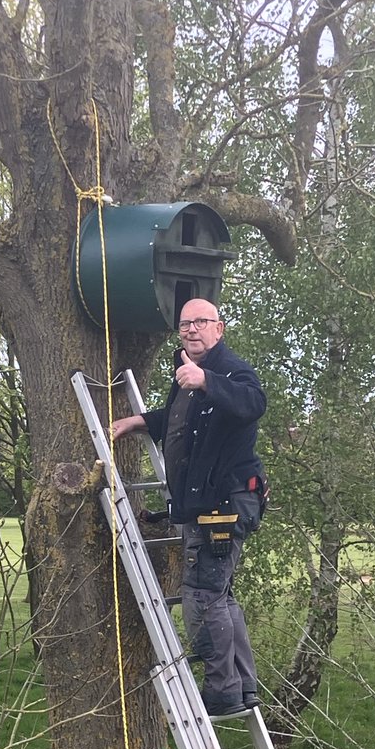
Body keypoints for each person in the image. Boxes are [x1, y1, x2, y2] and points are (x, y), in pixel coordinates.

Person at [110, 297, 267, 718]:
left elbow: (253, 403)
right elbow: (182, 421)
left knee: (201, 596)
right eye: (184, 324)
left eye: (201, 322)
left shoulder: (232, 369)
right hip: (204, 504)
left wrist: (206, 380)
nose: (192, 330)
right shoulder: (185, 373)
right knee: (220, 596)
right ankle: (242, 687)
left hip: (224, 504)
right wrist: (139, 422)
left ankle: (220, 693)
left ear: (219, 328)